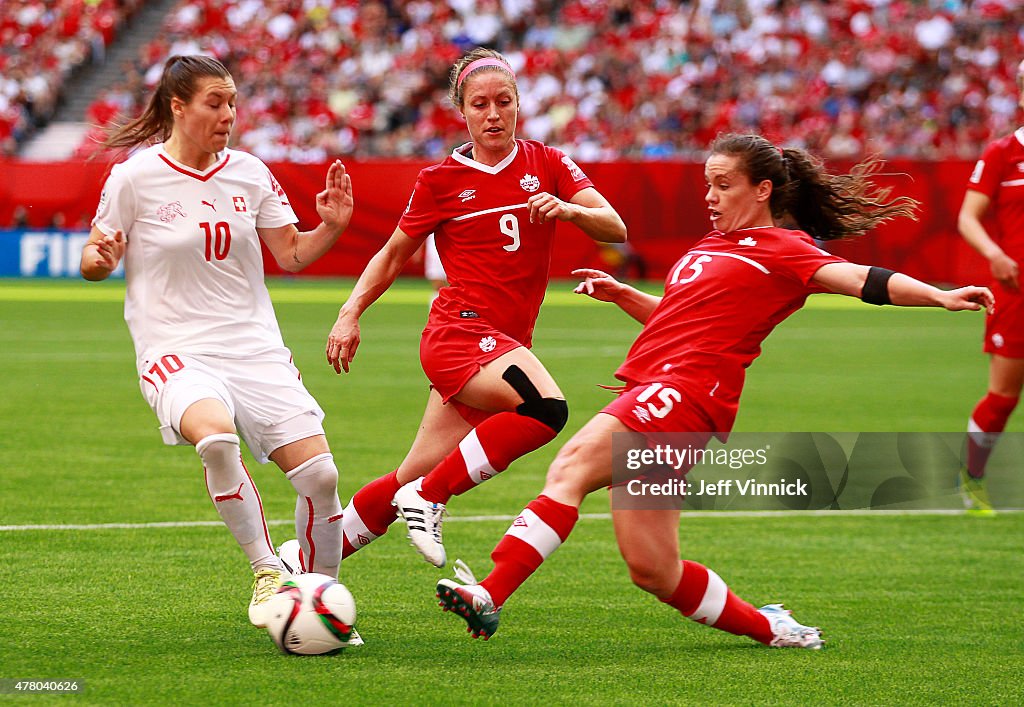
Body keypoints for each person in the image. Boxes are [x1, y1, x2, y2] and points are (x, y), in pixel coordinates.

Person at [432, 133, 993, 647]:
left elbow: (862, 281)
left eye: (723, 184)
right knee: (654, 570)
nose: (710, 196)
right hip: (674, 399)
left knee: (570, 469)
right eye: (707, 184)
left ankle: (489, 592)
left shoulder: (785, 248)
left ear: (762, 189)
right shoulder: (710, 246)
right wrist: (624, 295)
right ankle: (773, 629)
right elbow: (679, 322)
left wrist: (940, 296)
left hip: (683, 394)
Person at [80, 55, 355, 628]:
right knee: (215, 439)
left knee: (321, 477)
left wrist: (330, 225)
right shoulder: (134, 176)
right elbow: (94, 255)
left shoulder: (250, 172)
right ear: (178, 107)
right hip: (175, 348)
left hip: (253, 346)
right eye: (215, 102)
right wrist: (98, 259)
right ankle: (266, 573)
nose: (229, 114)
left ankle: (321, 605)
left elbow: (292, 254)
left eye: (232, 102)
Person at [325, 48, 626, 568]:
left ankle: (303, 559)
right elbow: (393, 253)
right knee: (546, 409)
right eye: (480, 103)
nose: (493, 113)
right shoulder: (440, 180)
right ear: (461, 112)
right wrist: (349, 313)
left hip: (504, 344)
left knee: (408, 474)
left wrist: (571, 209)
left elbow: (616, 229)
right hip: (459, 335)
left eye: (503, 101)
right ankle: (432, 498)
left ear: (518, 105)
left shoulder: (548, 163)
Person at [956, 59, 1024, 516]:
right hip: (1016, 291)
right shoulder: (1003, 153)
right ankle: (972, 477)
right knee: (1003, 396)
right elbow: (967, 216)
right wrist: (995, 254)